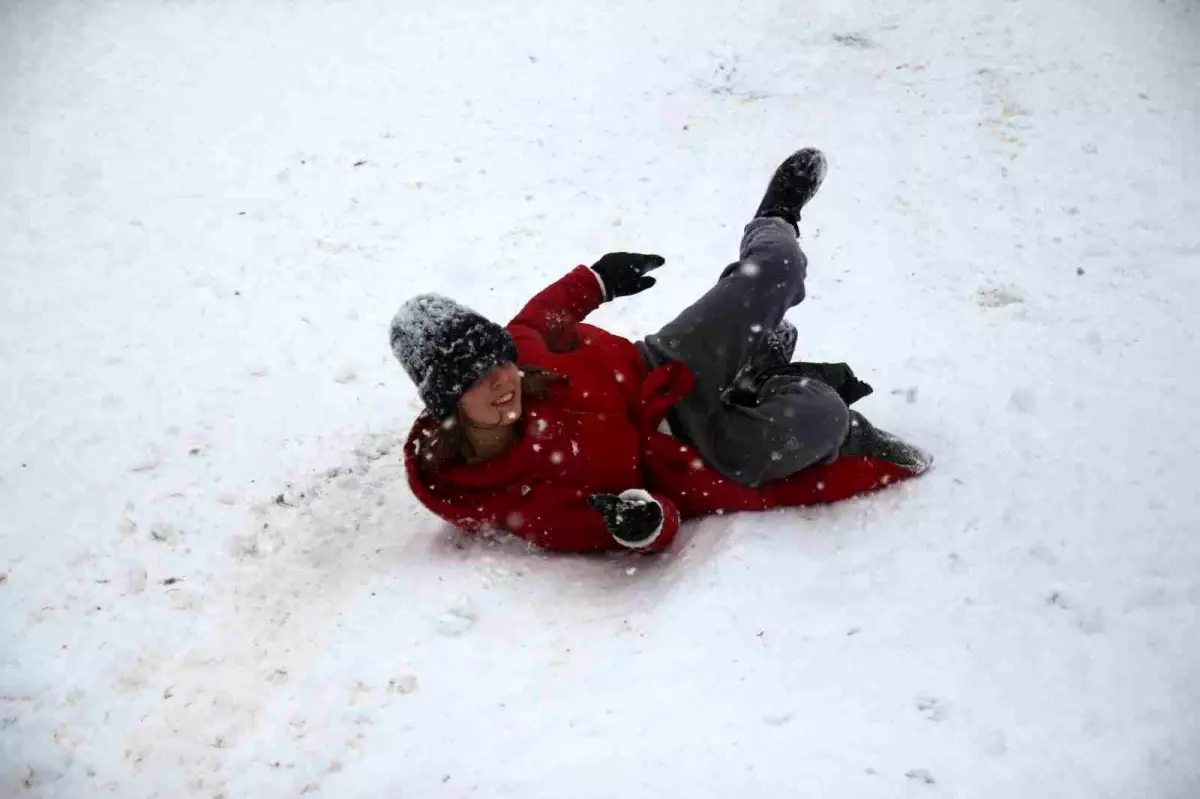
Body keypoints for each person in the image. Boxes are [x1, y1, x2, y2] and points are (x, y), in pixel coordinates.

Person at [390, 148, 930, 553]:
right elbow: (633, 525)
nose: (502, 379)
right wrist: (640, 524)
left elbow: (549, 308)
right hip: (687, 452)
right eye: (476, 381)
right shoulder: (509, 495)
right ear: (448, 405)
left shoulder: (524, 347)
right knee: (823, 417)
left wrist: (600, 279)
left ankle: (776, 218)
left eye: (498, 361)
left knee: (778, 267)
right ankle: (758, 380)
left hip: (665, 365)